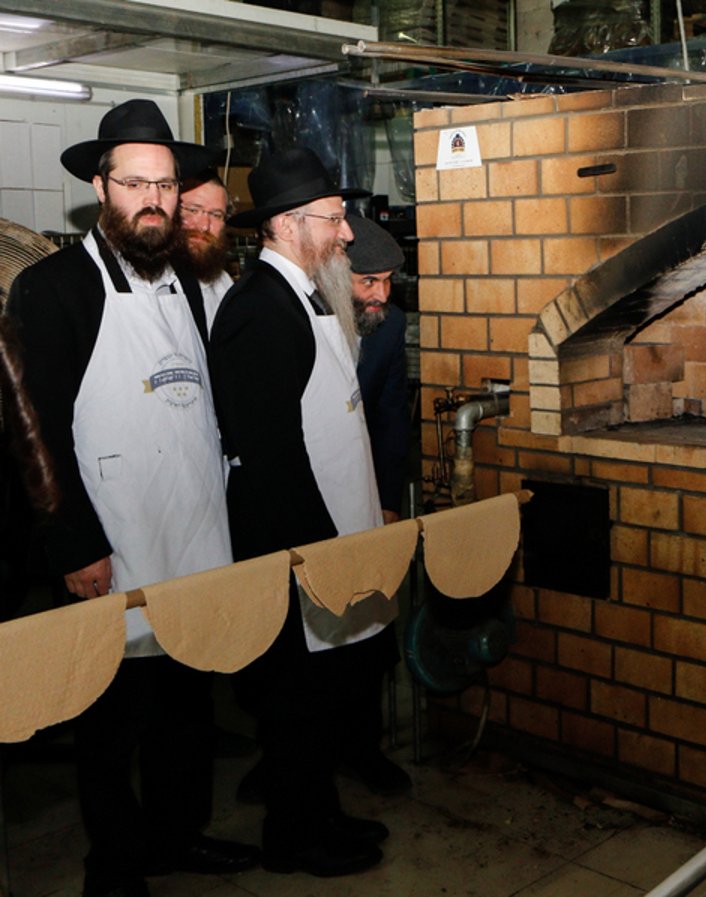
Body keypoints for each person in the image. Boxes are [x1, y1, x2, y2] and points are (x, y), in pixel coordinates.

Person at [6, 99, 259, 897]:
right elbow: (30, 429)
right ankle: (113, 868)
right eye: (134, 184)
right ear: (100, 184)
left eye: (165, 186)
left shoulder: (185, 277)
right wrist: (74, 543)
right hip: (110, 544)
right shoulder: (55, 288)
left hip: (192, 533)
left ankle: (178, 837)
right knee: (112, 724)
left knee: (188, 704)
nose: (153, 199)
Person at [208, 147, 396, 877]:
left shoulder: (307, 295)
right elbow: (273, 456)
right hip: (297, 552)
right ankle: (295, 839)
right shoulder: (260, 309)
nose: (346, 234)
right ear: (288, 225)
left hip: (333, 542)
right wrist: (317, 556)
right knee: (293, 708)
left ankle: (324, 813)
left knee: (322, 706)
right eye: (334, 219)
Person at [339, 214, 412, 795]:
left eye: (389, 281)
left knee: (367, 633)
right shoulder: (302, 319)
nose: (380, 295)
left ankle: (364, 749)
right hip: (309, 496)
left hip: (366, 496)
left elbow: (392, 416)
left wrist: (389, 501)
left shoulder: (389, 328)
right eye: (369, 282)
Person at [178, 169, 234, 326]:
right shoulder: (150, 282)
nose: (204, 226)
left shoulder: (223, 284)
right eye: (193, 210)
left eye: (216, 215)